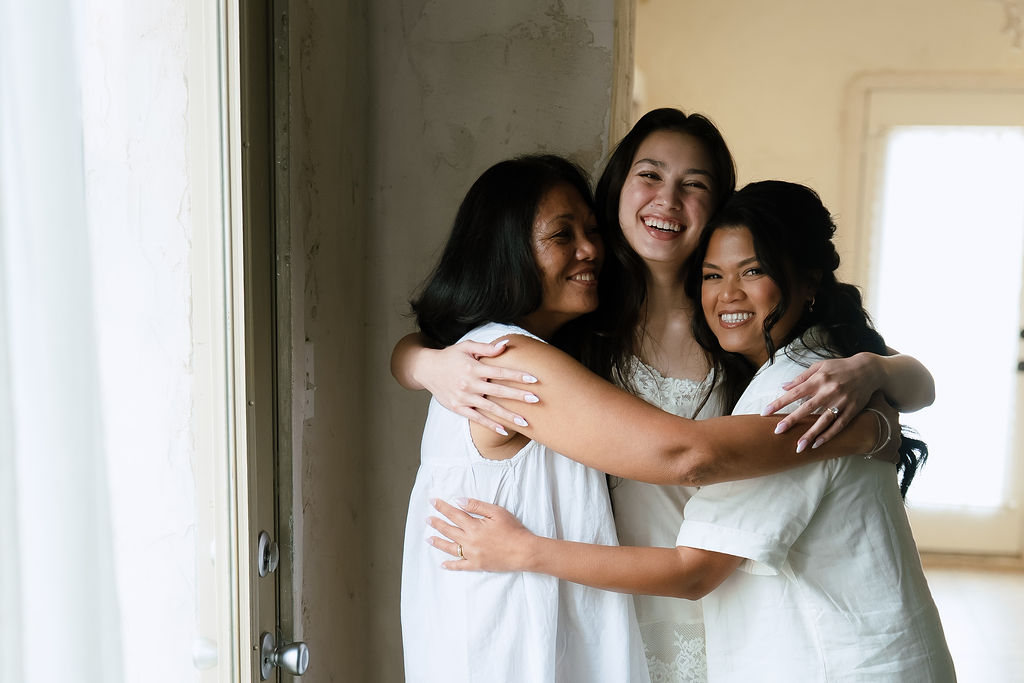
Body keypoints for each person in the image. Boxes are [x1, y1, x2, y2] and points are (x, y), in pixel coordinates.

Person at [393, 109, 934, 682]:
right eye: (649, 175)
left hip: (725, 602)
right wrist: (425, 363)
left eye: (694, 184)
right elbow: (436, 341)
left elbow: (899, 382)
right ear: (620, 188)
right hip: (611, 599)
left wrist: (879, 372)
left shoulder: (740, 333)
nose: (667, 200)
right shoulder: (575, 324)